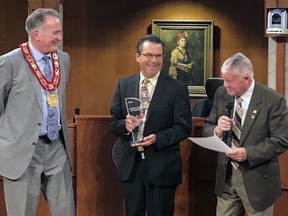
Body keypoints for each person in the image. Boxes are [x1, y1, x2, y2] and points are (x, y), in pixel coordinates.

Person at [0, 8, 75, 215]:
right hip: (22, 152)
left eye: (60, 32)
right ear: (36, 34)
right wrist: (7, 142)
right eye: (56, 33)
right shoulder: (10, 62)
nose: (59, 38)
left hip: (56, 146)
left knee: (66, 211)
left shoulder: (64, 59)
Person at [110, 34, 191, 216]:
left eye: (158, 55)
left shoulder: (177, 88)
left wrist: (157, 138)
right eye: (148, 55)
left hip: (162, 167)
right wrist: (126, 125)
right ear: (137, 56)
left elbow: (183, 127)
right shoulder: (124, 85)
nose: (154, 60)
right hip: (132, 168)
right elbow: (113, 122)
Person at [202, 52, 288, 216]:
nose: (225, 85)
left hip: (257, 182)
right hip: (226, 180)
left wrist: (248, 153)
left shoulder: (273, 100)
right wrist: (217, 129)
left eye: (230, 81)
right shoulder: (221, 94)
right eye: (224, 79)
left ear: (246, 79)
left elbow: (281, 140)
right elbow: (207, 127)